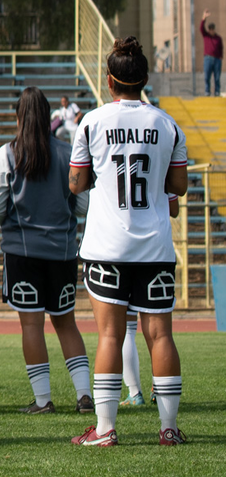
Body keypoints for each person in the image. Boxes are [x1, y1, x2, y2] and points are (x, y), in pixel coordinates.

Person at [68, 36, 188, 447]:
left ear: (109, 81)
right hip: (154, 246)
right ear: (145, 80)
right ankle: (168, 428)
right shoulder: (168, 123)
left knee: (109, 337)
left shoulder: (92, 121)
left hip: (107, 246)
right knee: (161, 335)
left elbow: (77, 181)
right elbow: (179, 185)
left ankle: (105, 429)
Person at [0, 87, 93, 415]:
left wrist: (10, 219)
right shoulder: (66, 152)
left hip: (22, 253)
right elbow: (82, 203)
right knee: (66, 323)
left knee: (31, 326)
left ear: (18, 118)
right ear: (50, 118)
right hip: (62, 252)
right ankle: (84, 396)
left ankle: (43, 400)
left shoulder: (9, 153)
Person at [201, 10, 222, 97]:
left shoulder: (218, 38)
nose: (211, 31)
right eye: (210, 29)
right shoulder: (206, 36)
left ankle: (217, 91)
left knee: (217, 77)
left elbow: (221, 48)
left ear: (214, 29)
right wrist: (204, 17)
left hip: (217, 59)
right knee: (207, 76)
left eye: (212, 29)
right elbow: (201, 28)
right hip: (208, 59)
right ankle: (207, 91)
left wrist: (220, 57)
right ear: (209, 30)